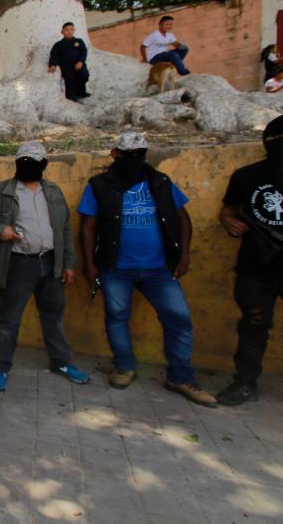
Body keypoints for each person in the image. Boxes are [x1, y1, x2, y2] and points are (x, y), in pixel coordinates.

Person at [78, 131, 216, 407]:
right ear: (115, 154)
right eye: (129, 155)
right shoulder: (99, 185)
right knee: (117, 316)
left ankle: (180, 375)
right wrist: (90, 263)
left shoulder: (160, 183)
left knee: (178, 318)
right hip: (116, 266)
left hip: (159, 268)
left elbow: (182, 218)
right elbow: (88, 226)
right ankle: (125, 366)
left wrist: (184, 254)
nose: (134, 160)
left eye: (139, 155)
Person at [0, 141, 89, 392]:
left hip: (50, 263)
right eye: (22, 163)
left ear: (43, 165)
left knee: (53, 317)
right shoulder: (2, 192)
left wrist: (68, 263)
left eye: (32, 164)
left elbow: (65, 229)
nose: (26, 167)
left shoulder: (53, 192)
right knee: (8, 319)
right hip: (18, 265)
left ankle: (61, 362)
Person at [215, 115, 283, 406]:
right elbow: (229, 211)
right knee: (254, 324)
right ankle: (245, 382)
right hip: (257, 266)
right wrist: (231, 223)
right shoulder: (247, 176)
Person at [48, 22, 91, 101]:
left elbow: (84, 52)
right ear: (62, 32)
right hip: (66, 66)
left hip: (78, 64)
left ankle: (81, 92)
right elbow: (54, 55)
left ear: (74, 30)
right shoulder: (58, 45)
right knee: (70, 81)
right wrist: (52, 64)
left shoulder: (79, 41)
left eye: (71, 29)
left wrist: (81, 62)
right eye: (66, 30)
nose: (69, 31)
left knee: (84, 75)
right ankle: (72, 98)